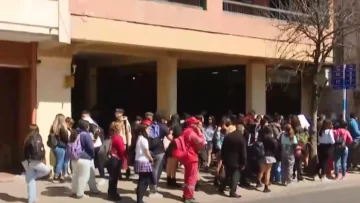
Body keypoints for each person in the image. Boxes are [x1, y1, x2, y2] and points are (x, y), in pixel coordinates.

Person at [178, 117, 205, 203]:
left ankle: (185, 194)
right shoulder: (192, 133)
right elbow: (202, 143)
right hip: (192, 157)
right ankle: (189, 197)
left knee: (187, 177)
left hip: (185, 156)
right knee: (192, 178)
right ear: (191, 124)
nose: (198, 125)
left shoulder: (185, 131)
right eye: (196, 123)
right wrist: (200, 132)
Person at [70, 119, 99, 198]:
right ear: (86, 126)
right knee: (83, 176)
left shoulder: (74, 133)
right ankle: (80, 194)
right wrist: (92, 156)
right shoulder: (86, 135)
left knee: (75, 175)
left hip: (74, 157)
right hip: (84, 158)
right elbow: (90, 147)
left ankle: (74, 191)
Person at [22, 124, 50, 203]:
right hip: (34, 160)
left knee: (30, 180)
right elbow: (41, 148)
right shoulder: (38, 137)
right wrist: (43, 158)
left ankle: (31, 199)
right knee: (47, 170)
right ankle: (32, 199)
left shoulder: (27, 138)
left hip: (26, 161)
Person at [219, 124, 247, 198]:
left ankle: (221, 188)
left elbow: (223, 148)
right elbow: (243, 153)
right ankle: (232, 192)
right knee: (235, 177)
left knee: (227, 175)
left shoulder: (228, 136)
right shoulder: (241, 139)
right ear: (242, 130)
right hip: (236, 162)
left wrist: (222, 158)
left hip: (227, 160)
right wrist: (244, 163)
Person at [135, 119, 155, 203]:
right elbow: (147, 152)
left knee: (142, 180)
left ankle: (139, 199)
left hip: (139, 161)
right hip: (144, 162)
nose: (149, 130)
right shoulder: (144, 140)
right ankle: (140, 200)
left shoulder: (139, 138)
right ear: (144, 129)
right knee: (144, 181)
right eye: (148, 129)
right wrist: (151, 159)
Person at [107, 121, 126, 201]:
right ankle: (113, 194)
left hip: (111, 158)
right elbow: (122, 151)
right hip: (116, 159)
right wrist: (124, 162)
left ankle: (111, 192)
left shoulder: (111, 137)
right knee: (114, 178)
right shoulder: (118, 138)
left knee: (112, 177)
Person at [257, 125, 277, 193]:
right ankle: (266, 187)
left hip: (261, 155)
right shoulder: (272, 139)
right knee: (268, 172)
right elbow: (275, 147)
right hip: (270, 156)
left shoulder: (261, 138)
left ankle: (258, 182)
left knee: (261, 171)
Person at [50, 113, 69, 182]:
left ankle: (58, 175)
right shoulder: (62, 128)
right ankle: (56, 176)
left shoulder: (53, 127)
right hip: (61, 147)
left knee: (57, 162)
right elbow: (65, 139)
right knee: (60, 162)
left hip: (54, 147)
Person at [114, 108, 132, 179]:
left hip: (123, 142)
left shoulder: (125, 122)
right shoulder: (116, 122)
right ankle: (119, 173)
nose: (115, 114)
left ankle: (127, 170)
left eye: (117, 113)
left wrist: (129, 143)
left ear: (121, 114)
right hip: (116, 141)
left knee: (123, 158)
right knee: (117, 157)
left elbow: (128, 133)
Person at [166, 114, 183, 187]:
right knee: (174, 164)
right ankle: (173, 180)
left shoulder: (170, 126)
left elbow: (168, 135)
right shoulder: (178, 126)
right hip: (176, 145)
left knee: (169, 163)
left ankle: (168, 178)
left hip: (170, 145)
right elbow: (180, 136)